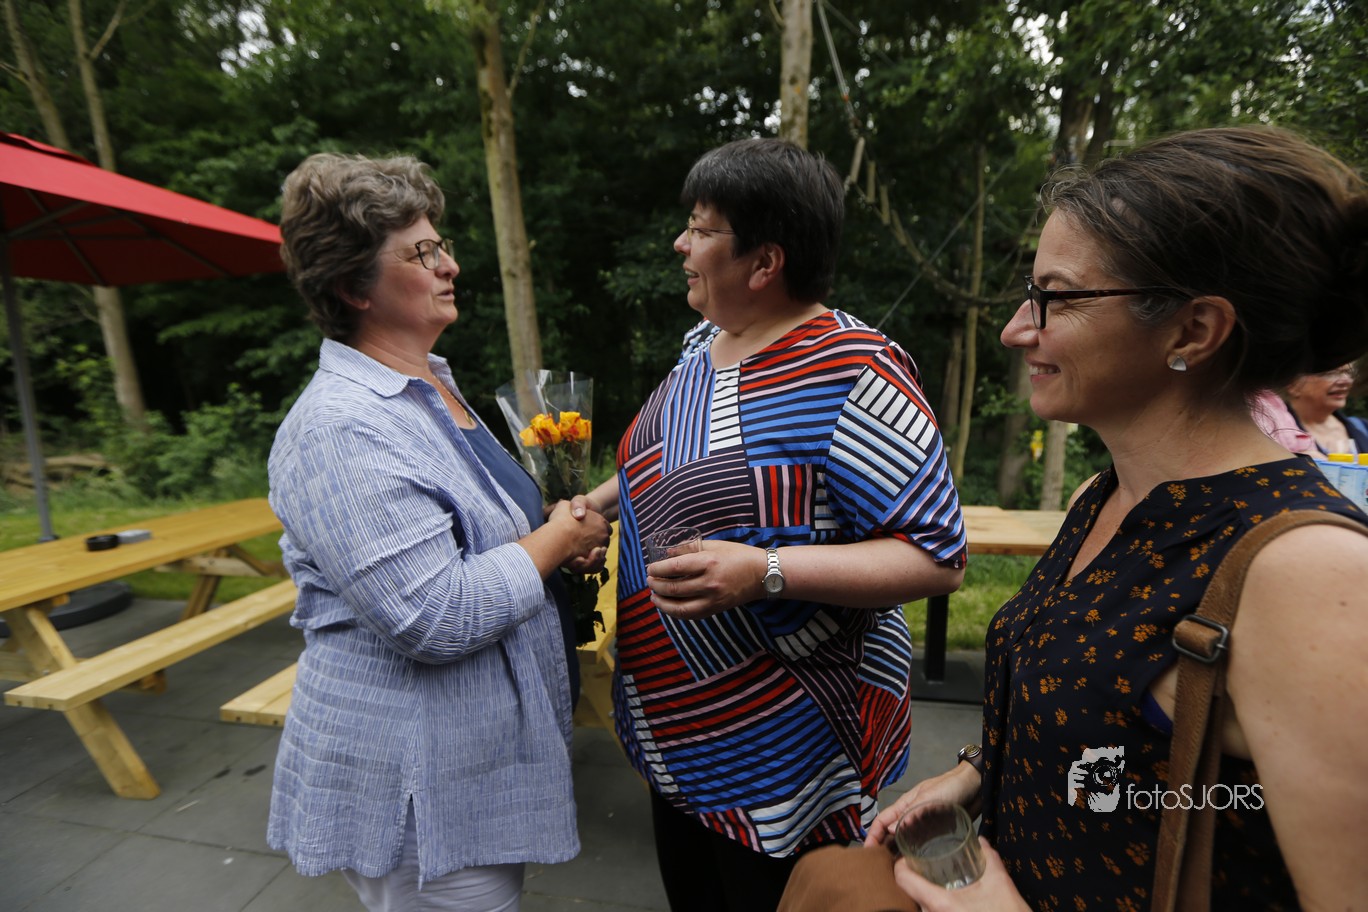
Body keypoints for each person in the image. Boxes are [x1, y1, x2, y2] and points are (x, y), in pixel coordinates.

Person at [847, 126, 1368, 911]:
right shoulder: (1107, 497)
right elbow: (1110, 722)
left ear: (1193, 330)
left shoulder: (1307, 573)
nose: (1016, 329)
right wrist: (980, 772)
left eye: (1054, 297)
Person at [583, 137, 968, 912]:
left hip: (779, 747)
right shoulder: (704, 347)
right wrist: (594, 506)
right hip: (678, 728)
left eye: (701, 229)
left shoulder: (856, 370)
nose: (680, 244)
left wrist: (765, 571)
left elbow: (936, 555)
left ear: (764, 262)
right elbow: (661, 461)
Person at [265, 152, 611, 912]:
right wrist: (553, 542)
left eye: (441, 245)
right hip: (419, 786)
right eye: (421, 253)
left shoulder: (429, 386)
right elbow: (434, 613)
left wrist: (558, 540)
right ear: (354, 287)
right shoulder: (339, 427)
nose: (449, 265)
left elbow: (480, 543)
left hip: (472, 763)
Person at [1284, 363, 1368, 455]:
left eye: (1349, 373)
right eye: (1330, 373)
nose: (1345, 381)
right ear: (1293, 385)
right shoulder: (1277, 435)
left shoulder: (1363, 427)